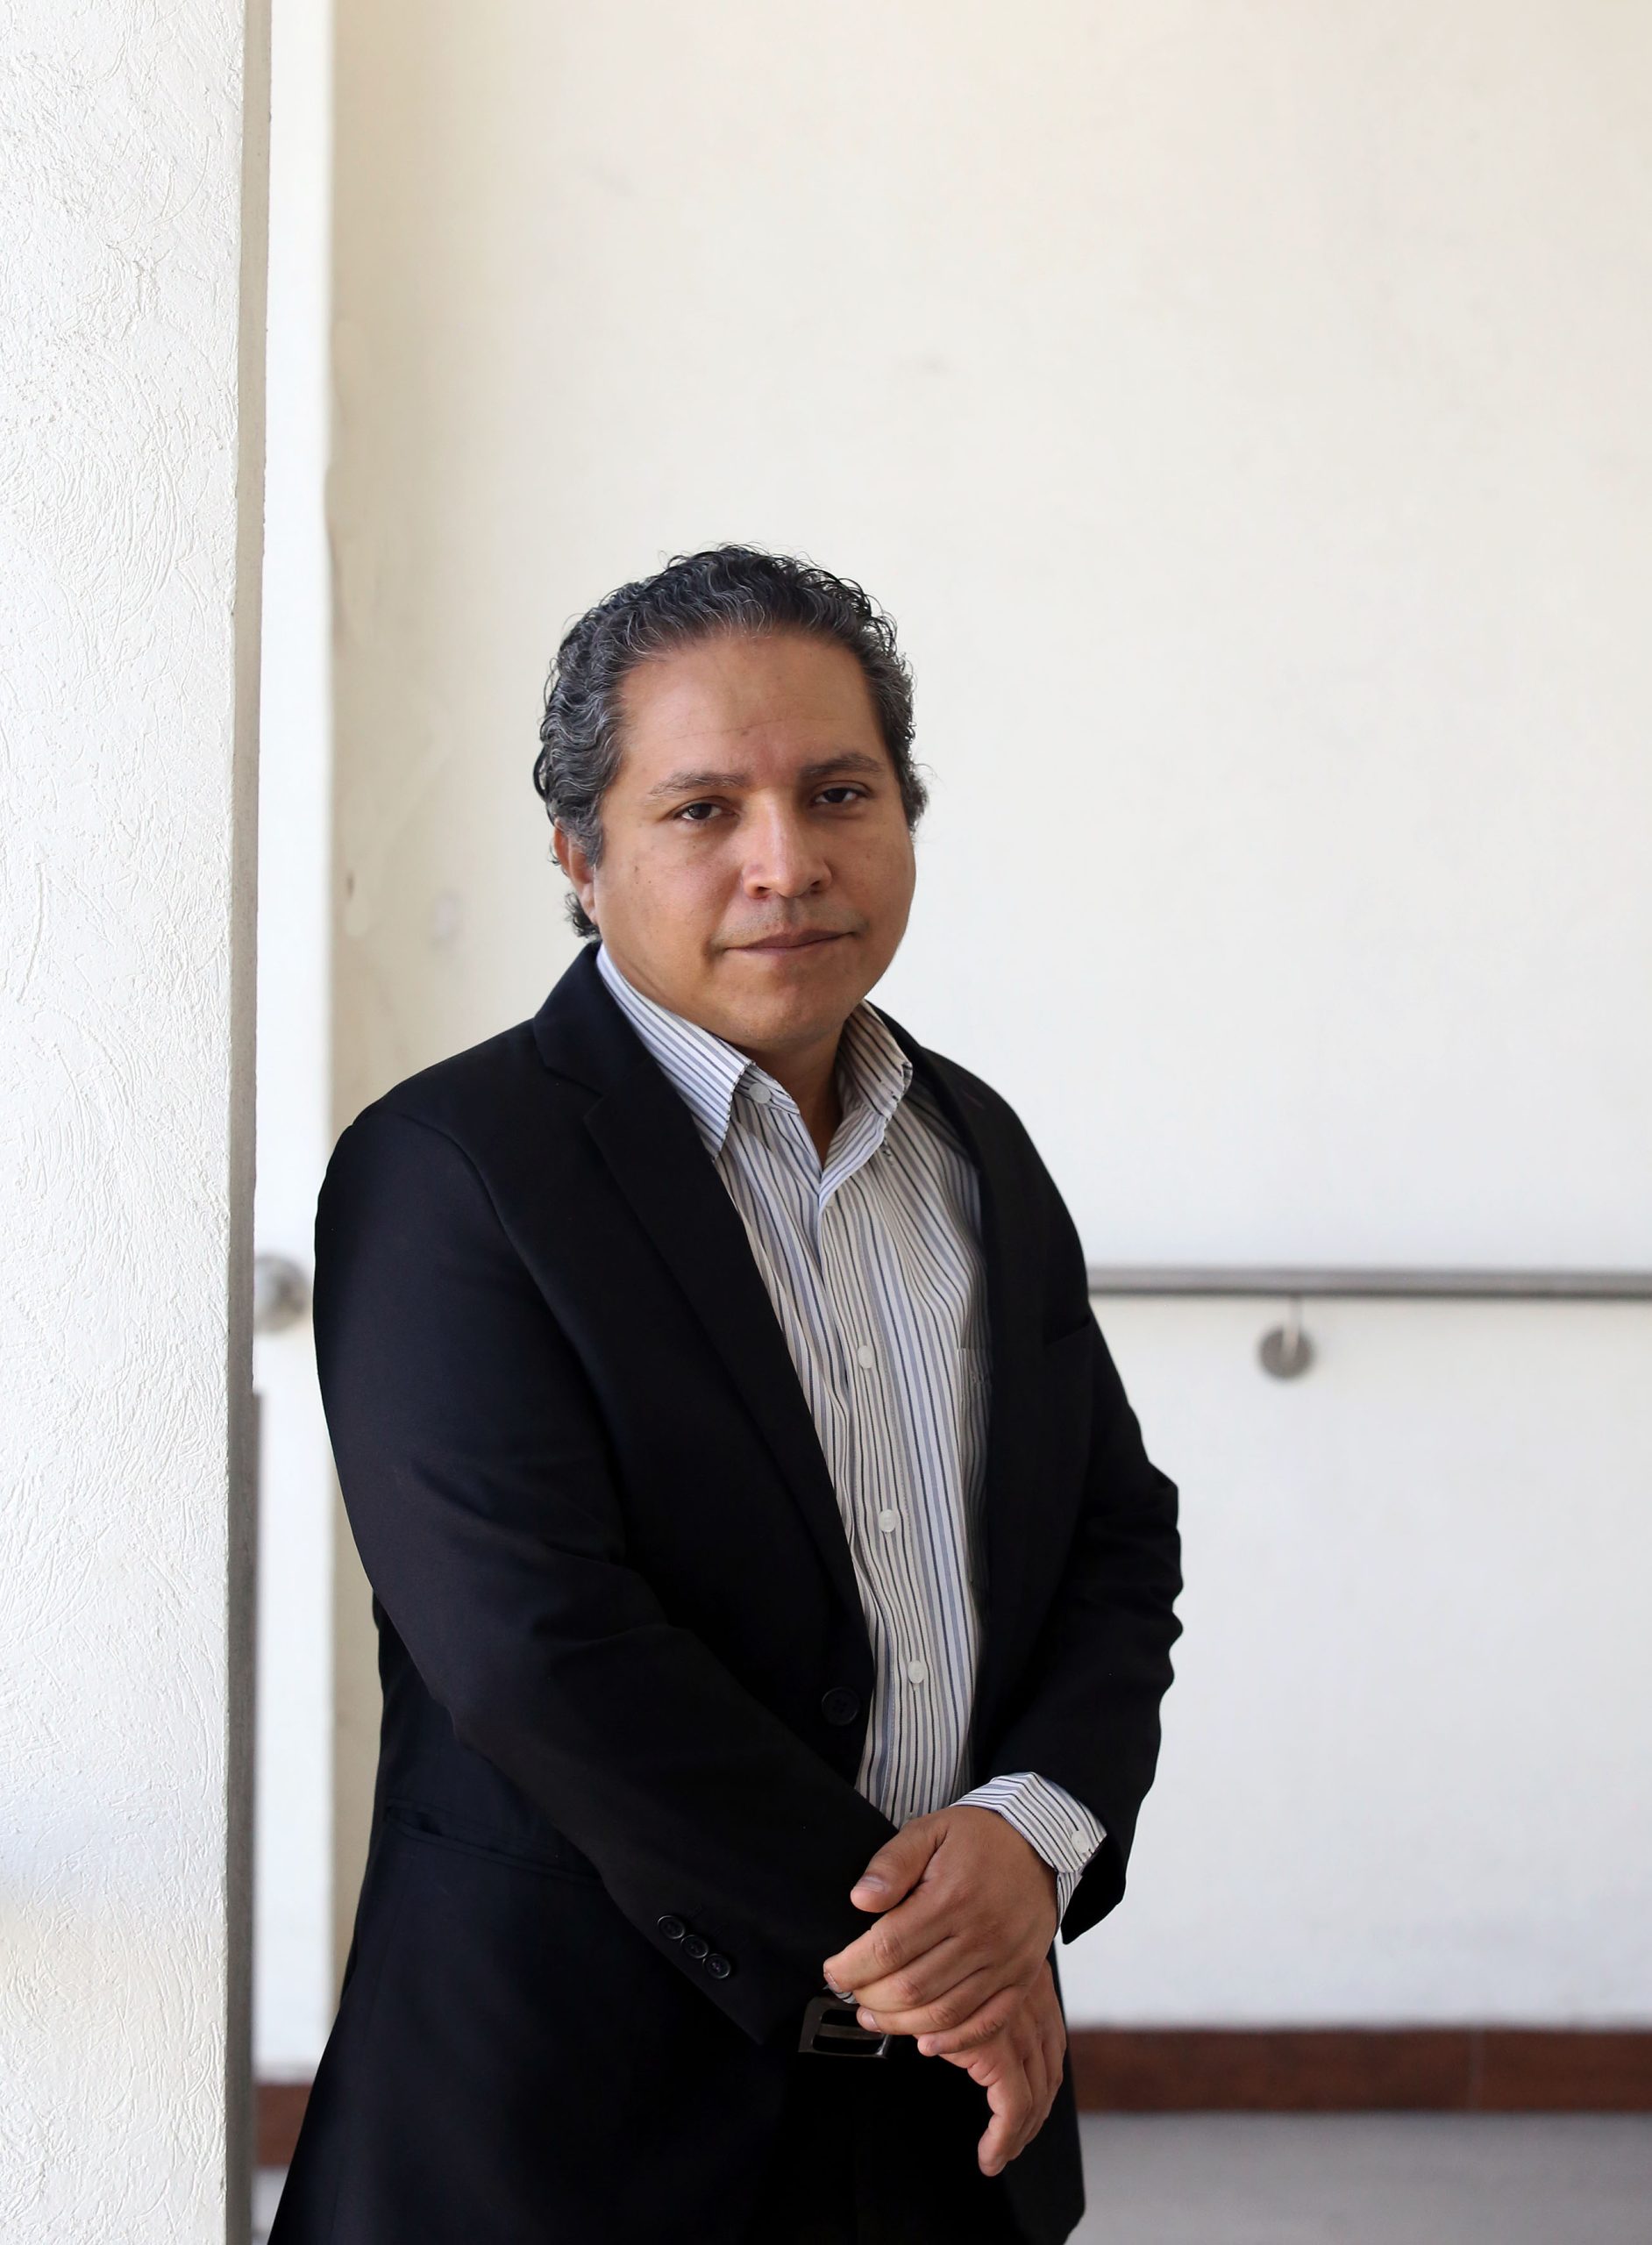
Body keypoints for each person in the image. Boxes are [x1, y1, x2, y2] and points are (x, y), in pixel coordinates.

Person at [269, 545, 1183, 2245]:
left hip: (945, 2148)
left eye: (839, 792)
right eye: (703, 809)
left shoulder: (975, 1146)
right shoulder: (450, 1171)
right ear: (579, 854)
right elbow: (541, 1651)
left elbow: (1114, 1541)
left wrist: (1034, 1833)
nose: (788, 860)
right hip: (570, 2134)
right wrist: (940, 1965)